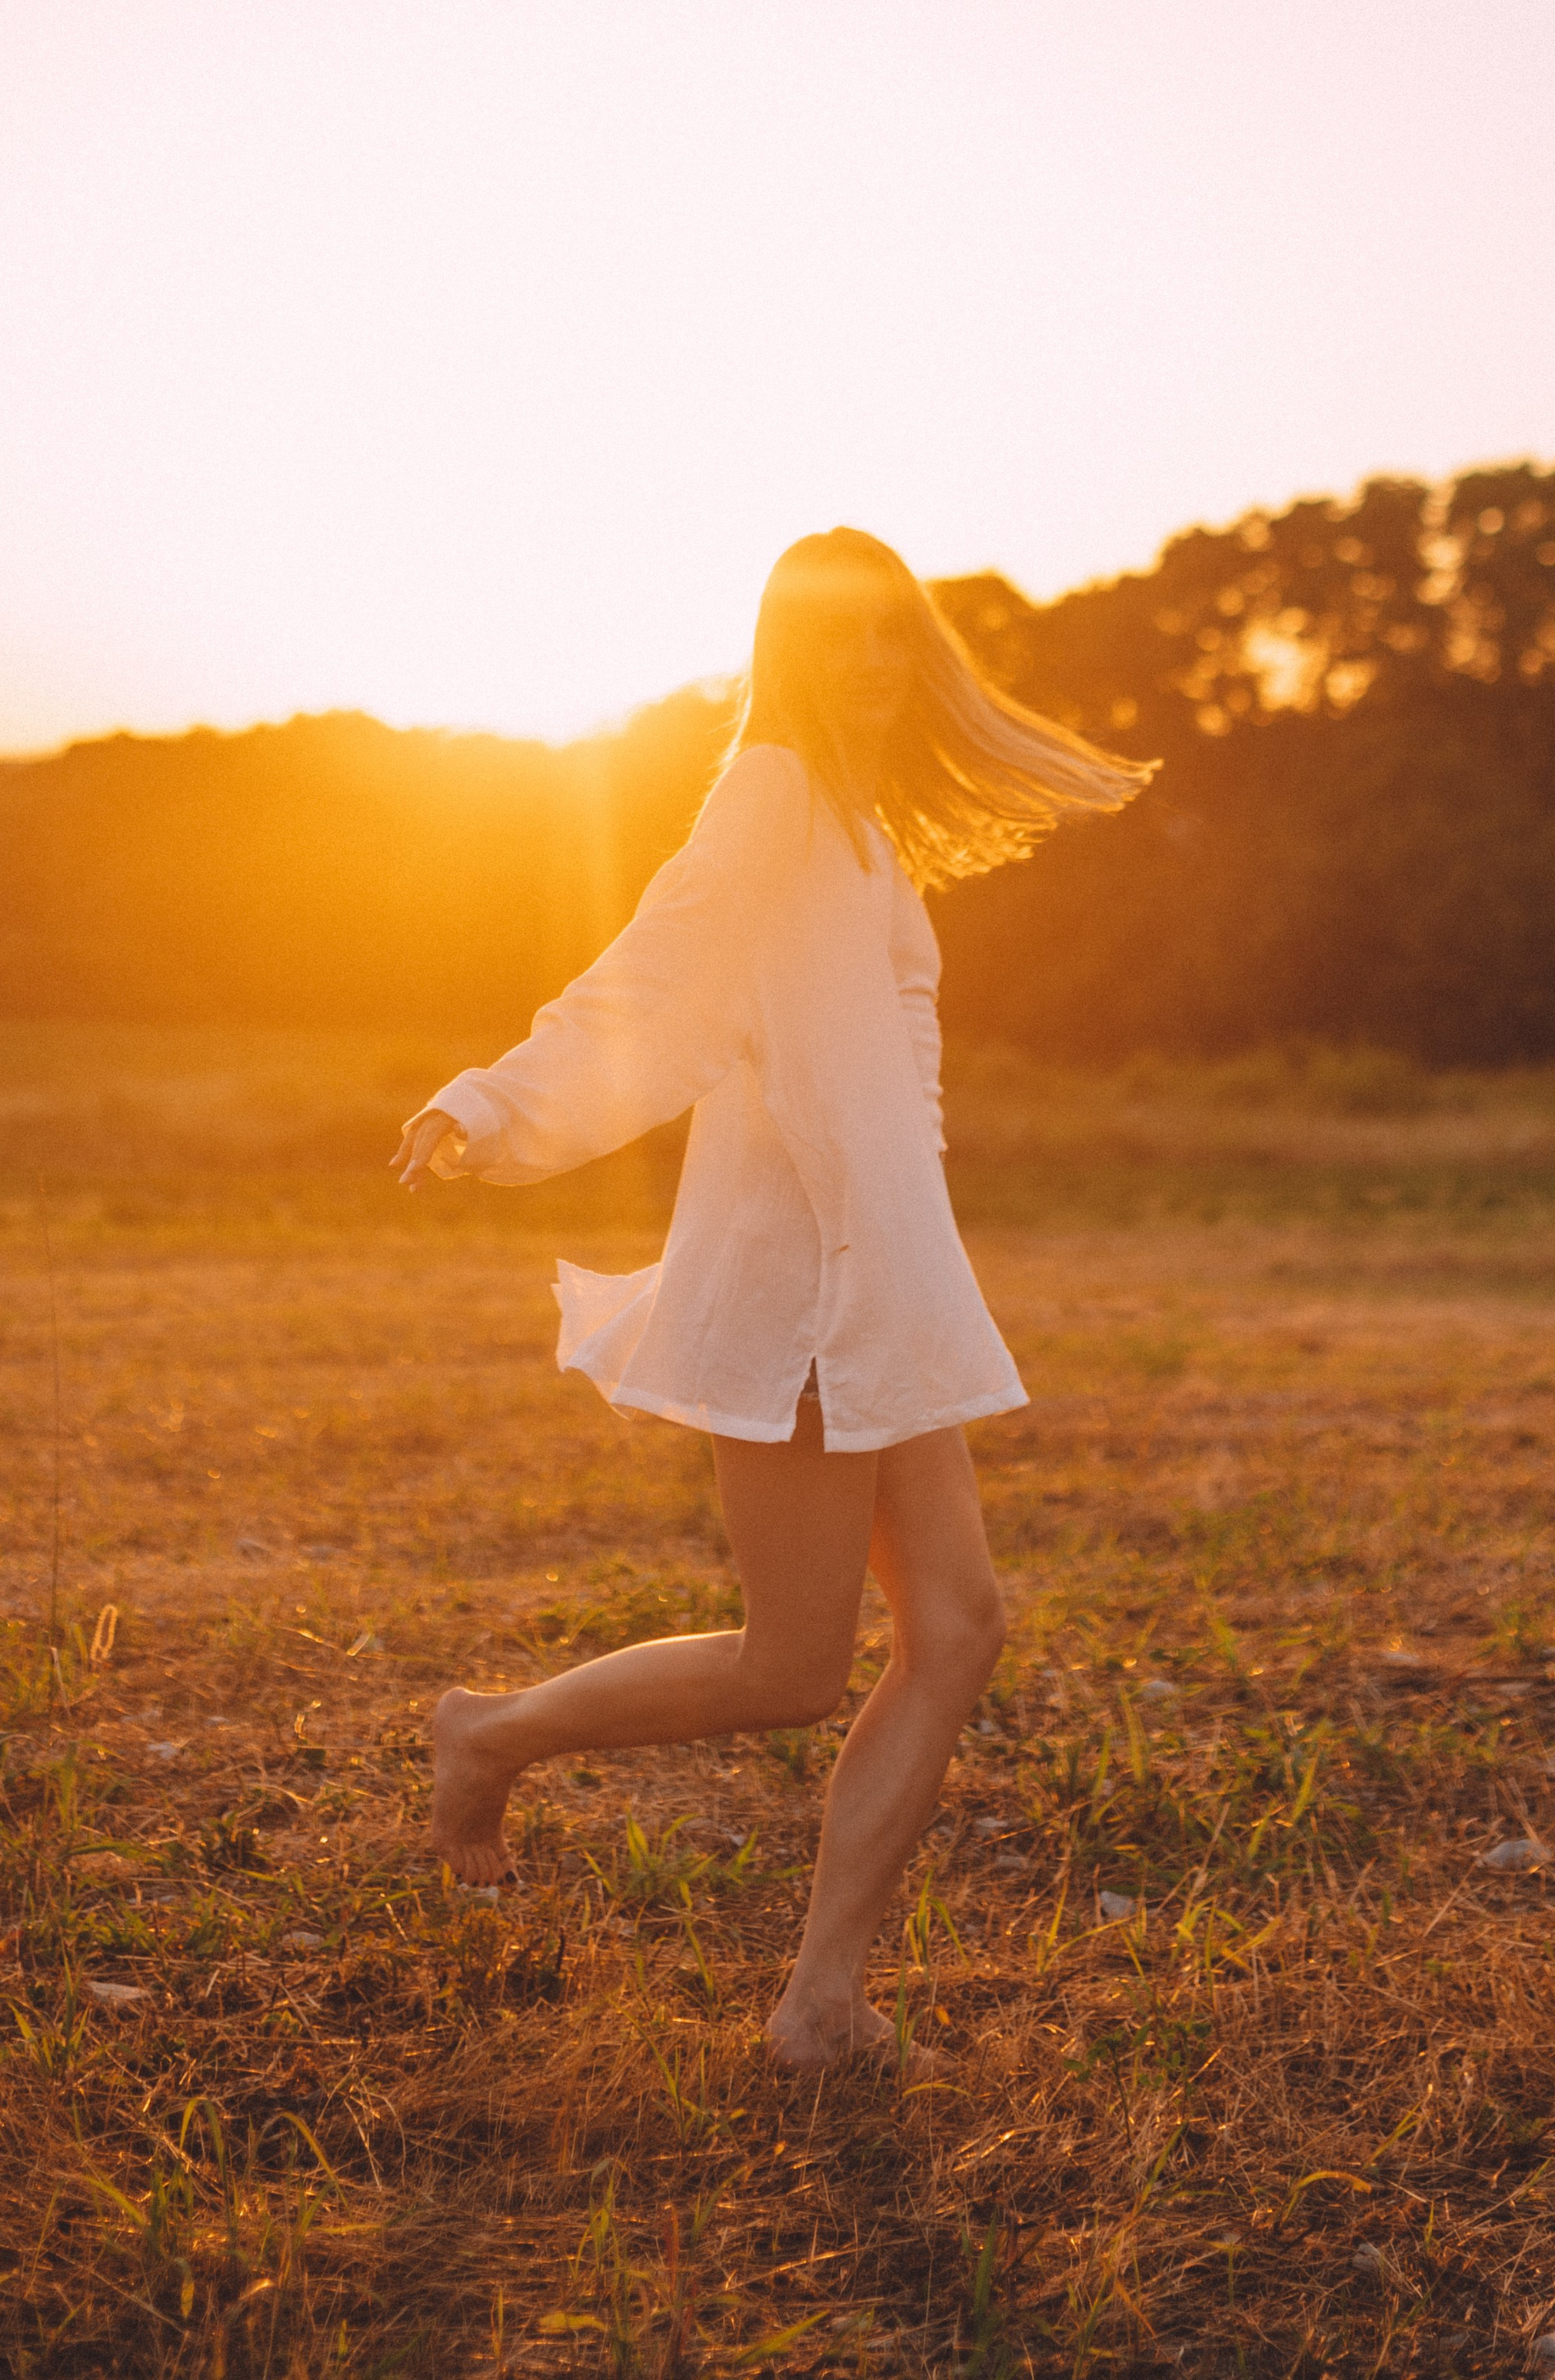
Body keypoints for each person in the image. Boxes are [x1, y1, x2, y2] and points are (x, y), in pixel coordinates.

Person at [391, 528, 1153, 2071]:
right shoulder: (774, 794)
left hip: (884, 1279)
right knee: (793, 1665)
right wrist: (492, 1099)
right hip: (808, 1282)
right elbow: (653, 974)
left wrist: (922, 1253)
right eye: (837, 640)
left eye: (890, 636)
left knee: (954, 1623)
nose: (870, 665)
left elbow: (887, 1066)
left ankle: (820, 2004)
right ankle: (486, 1730)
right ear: (790, 656)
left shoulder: (857, 824)